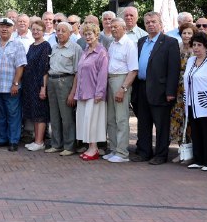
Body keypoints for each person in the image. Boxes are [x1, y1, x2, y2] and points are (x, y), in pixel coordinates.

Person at [131, 11, 181, 165]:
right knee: (143, 123)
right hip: (141, 87)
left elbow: (174, 69)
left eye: (153, 22)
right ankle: (144, 152)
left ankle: (161, 154)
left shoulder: (170, 42)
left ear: (160, 24)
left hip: (160, 90)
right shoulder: (141, 41)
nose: (151, 24)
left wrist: (170, 92)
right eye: (147, 22)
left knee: (161, 125)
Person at [0, 17, 27, 152]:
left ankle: (13, 140)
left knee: (13, 114)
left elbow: (20, 66)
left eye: (8, 26)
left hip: (11, 87)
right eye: (2, 26)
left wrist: (16, 83)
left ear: (13, 28)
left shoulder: (18, 44)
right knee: (0, 115)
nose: (4, 28)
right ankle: (1, 139)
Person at [184, 32, 207, 171]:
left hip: (206, 102)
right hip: (191, 102)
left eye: (199, 45)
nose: (196, 48)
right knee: (196, 132)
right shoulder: (190, 60)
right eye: (194, 45)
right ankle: (198, 160)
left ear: (206, 47)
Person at [71, 22, 108, 161]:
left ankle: (94, 149)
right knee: (85, 121)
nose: (87, 37)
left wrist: (99, 93)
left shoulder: (101, 52)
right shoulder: (85, 51)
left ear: (96, 34)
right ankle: (91, 147)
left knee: (93, 122)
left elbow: (103, 75)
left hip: (94, 93)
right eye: (85, 34)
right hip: (83, 93)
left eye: (90, 34)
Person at [45, 22, 82, 155]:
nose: (60, 33)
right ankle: (56, 144)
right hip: (52, 81)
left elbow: (78, 72)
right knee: (54, 116)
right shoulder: (54, 47)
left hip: (66, 82)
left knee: (67, 116)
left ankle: (69, 146)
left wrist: (73, 92)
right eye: (58, 30)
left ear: (70, 33)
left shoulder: (75, 48)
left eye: (63, 31)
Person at [104, 18, 138, 163]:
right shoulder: (112, 44)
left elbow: (133, 70)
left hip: (121, 80)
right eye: (111, 27)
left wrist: (123, 88)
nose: (113, 29)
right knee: (111, 118)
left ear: (124, 28)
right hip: (110, 79)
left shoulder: (129, 44)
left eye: (116, 27)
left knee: (121, 118)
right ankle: (114, 149)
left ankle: (122, 153)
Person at [22, 19, 50, 151]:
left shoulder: (45, 46)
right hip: (30, 84)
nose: (35, 32)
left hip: (39, 84)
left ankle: (40, 142)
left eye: (38, 29)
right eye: (33, 29)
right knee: (34, 113)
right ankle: (36, 140)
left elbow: (45, 69)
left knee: (40, 113)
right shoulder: (32, 46)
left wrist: (43, 88)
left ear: (43, 30)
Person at [169, 22, 196, 160]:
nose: (186, 36)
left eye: (189, 33)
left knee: (189, 120)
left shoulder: (196, 50)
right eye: (184, 33)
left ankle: (191, 151)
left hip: (190, 88)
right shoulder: (176, 47)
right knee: (178, 119)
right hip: (176, 88)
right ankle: (182, 149)